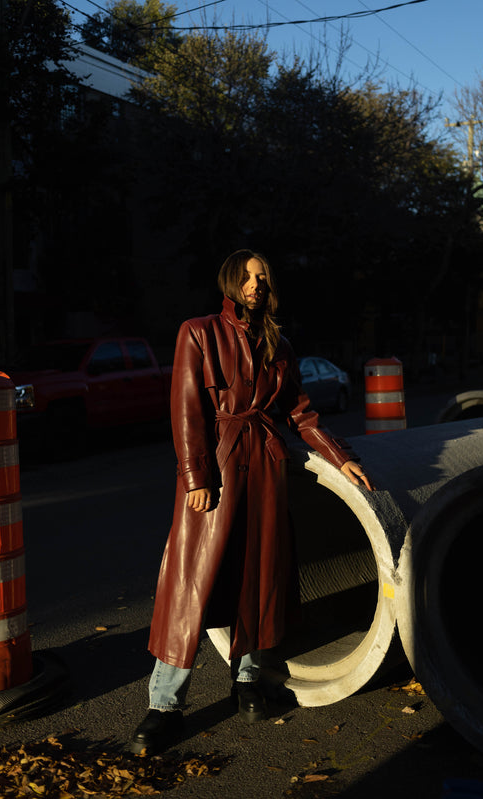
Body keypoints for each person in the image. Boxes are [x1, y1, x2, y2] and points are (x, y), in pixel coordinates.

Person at [130, 249, 373, 755]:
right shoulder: (198, 331)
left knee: (258, 576)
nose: (255, 284)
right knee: (190, 582)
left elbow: (301, 414)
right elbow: (186, 409)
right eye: (246, 276)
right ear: (230, 281)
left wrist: (340, 456)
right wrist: (196, 476)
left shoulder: (279, 344)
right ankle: (164, 705)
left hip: (264, 468)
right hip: (216, 467)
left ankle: (246, 681)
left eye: (262, 277)